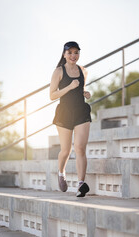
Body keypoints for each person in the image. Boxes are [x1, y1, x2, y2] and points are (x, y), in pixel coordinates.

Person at [50, 41, 92, 197]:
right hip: (65, 113)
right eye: (70, 53)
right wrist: (69, 87)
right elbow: (52, 95)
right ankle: (61, 172)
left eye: (76, 53)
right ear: (64, 54)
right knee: (66, 150)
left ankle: (81, 184)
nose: (73, 56)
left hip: (81, 111)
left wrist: (85, 93)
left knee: (80, 148)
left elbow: (82, 89)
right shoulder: (58, 71)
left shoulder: (84, 71)